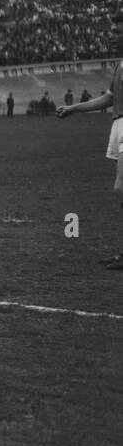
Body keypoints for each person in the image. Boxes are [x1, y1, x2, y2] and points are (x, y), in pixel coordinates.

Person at [57, 24, 123, 269]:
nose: (114, 36)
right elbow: (109, 98)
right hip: (118, 124)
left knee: (121, 187)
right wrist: (74, 109)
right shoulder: (120, 65)